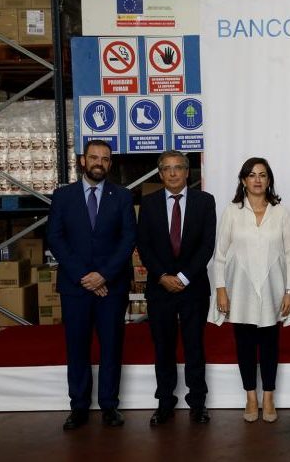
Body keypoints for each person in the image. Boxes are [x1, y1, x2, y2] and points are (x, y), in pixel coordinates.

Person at [47, 139, 136, 430]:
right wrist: (85, 276)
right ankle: (79, 407)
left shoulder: (122, 196)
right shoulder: (63, 196)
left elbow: (128, 239)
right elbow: (55, 237)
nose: (99, 163)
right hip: (75, 287)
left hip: (112, 287)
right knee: (77, 348)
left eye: (105, 159)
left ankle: (109, 405)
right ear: (83, 160)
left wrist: (104, 275)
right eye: (94, 157)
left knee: (111, 346)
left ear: (110, 163)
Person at [212, 157, 290, 423]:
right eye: (252, 175)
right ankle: (251, 396)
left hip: (274, 290)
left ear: (269, 180)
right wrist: (220, 289)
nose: (257, 180)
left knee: (270, 345)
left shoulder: (281, 212)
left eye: (262, 175)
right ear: (243, 180)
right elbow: (220, 255)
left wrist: (289, 291)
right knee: (244, 345)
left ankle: (269, 397)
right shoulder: (232, 211)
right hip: (239, 290)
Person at [136, 151, 216, 426]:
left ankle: (198, 403)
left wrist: (183, 277)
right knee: (163, 348)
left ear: (187, 172)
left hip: (193, 288)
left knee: (195, 347)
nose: (172, 173)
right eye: (167, 169)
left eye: (178, 168)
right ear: (160, 174)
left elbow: (207, 245)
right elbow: (143, 245)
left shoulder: (205, 201)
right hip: (160, 288)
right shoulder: (149, 204)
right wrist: (162, 276)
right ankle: (164, 403)